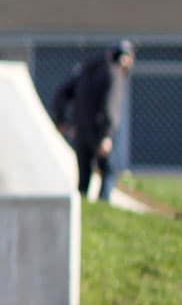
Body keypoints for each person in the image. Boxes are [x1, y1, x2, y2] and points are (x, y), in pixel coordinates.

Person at [51, 42, 134, 202]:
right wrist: (107, 135)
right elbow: (111, 106)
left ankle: (81, 209)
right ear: (124, 59)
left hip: (80, 131)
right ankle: (103, 206)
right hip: (100, 132)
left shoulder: (85, 70)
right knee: (108, 171)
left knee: (84, 178)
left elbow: (61, 94)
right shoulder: (114, 73)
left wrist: (61, 120)